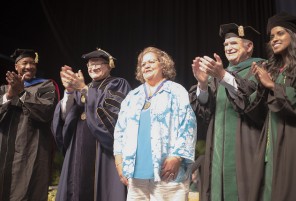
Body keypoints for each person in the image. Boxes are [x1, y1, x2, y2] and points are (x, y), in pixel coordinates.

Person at [189, 24, 265, 201]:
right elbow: (205, 112)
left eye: (233, 43)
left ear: (249, 46)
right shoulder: (219, 75)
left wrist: (223, 76)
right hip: (217, 150)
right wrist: (202, 84)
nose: (228, 48)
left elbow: (253, 102)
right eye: (225, 45)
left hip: (247, 144)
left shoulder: (260, 68)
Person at [114, 46, 197, 201]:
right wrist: (119, 162)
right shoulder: (132, 96)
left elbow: (188, 125)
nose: (146, 65)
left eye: (151, 61)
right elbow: (119, 130)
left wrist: (177, 157)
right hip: (136, 174)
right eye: (143, 64)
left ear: (163, 64)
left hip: (167, 172)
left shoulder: (176, 91)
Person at [51, 48, 131, 201]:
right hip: (76, 152)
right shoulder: (79, 88)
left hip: (103, 154)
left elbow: (113, 120)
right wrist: (68, 92)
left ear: (109, 66)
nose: (93, 68)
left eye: (98, 64)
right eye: (89, 65)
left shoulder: (117, 84)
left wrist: (83, 89)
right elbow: (64, 118)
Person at [244, 12, 296, 201]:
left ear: (293, 36)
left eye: (280, 34)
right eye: (271, 37)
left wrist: (271, 85)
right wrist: (262, 84)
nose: (274, 39)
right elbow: (257, 111)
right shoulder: (273, 69)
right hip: (270, 142)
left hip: (293, 141)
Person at [0, 49, 59, 201]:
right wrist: (9, 96)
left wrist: (22, 93)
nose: (29, 66)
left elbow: (45, 113)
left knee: (27, 192)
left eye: (32, 63)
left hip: (32, 150)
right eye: (24, 63)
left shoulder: (46, 86)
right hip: (4, 150)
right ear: (16, 66)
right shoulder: (4, 90)